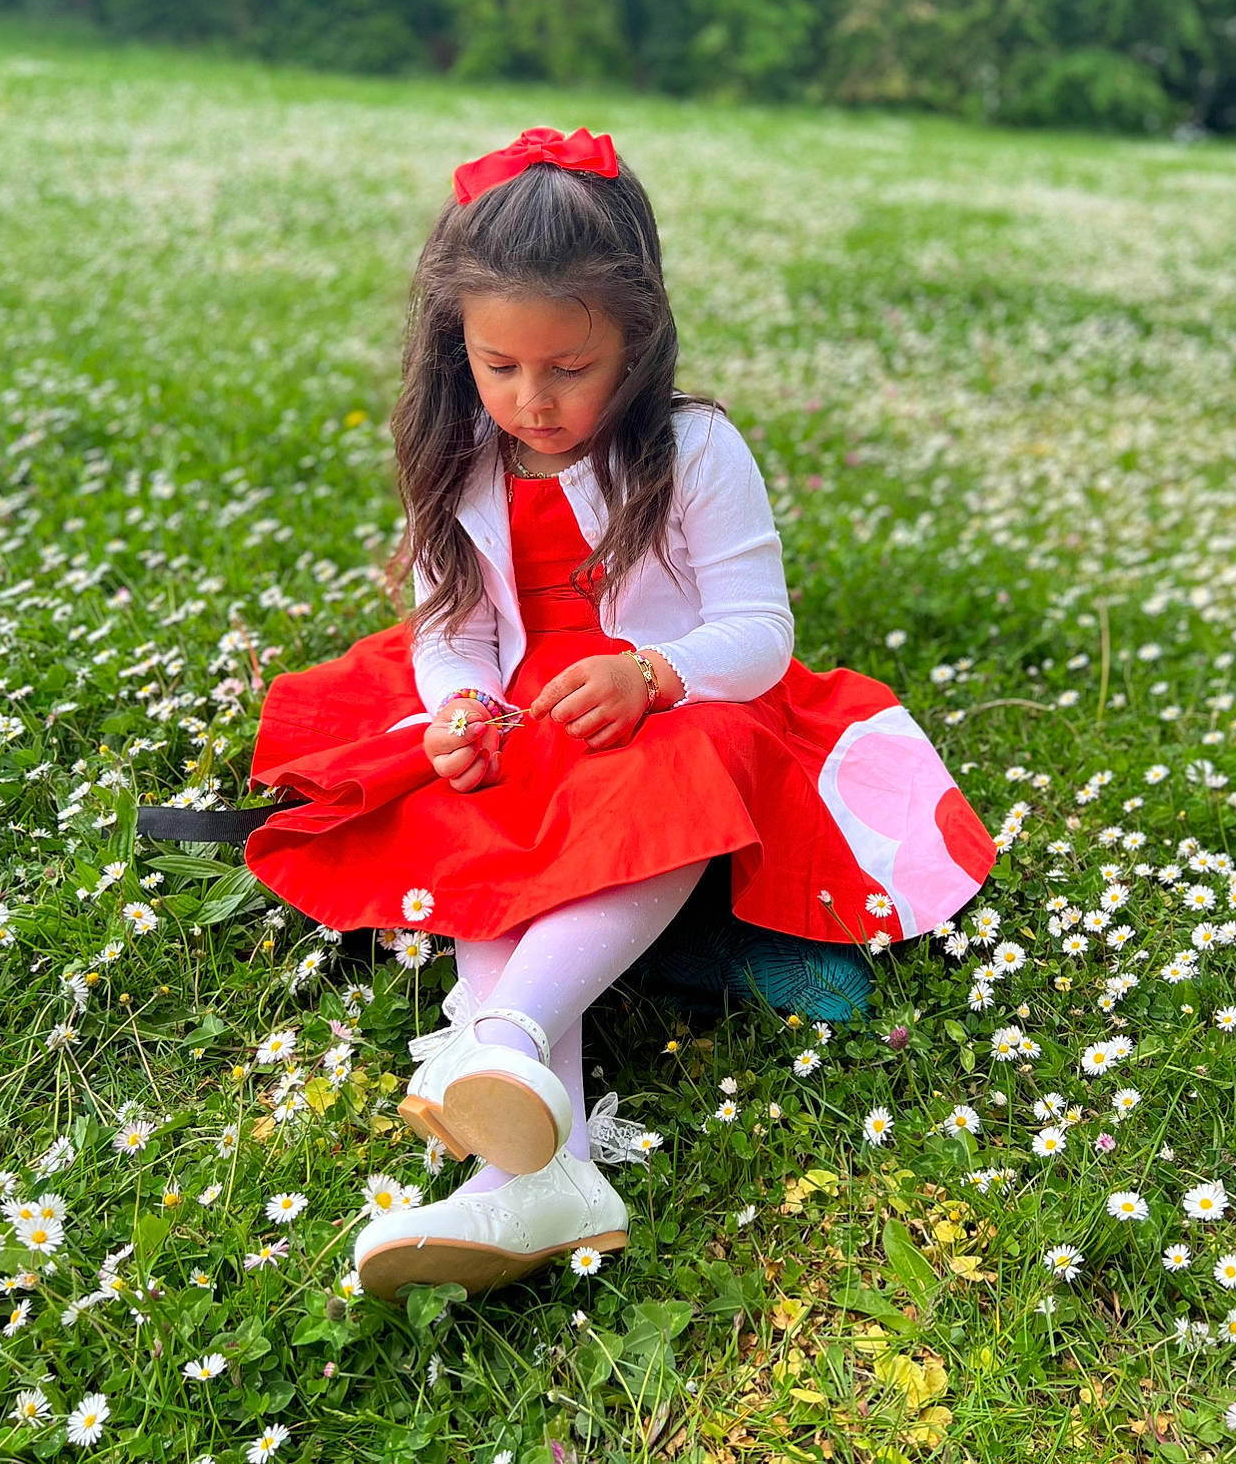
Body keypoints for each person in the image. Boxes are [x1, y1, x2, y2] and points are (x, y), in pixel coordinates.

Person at [240, 126, 998, 1301]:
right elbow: (452, 627)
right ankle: (546, 1171)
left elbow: (760, 629)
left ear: (636, 342)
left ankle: (502, 1034)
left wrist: (651, 674)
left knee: (667, 782)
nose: (532, 400)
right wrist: (460, 706)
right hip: (526, 703)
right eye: (499, 366)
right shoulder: (463, 454)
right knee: (477, 797)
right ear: (456, 346)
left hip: (676, 700)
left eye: (569, 368)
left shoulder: (695, 449)